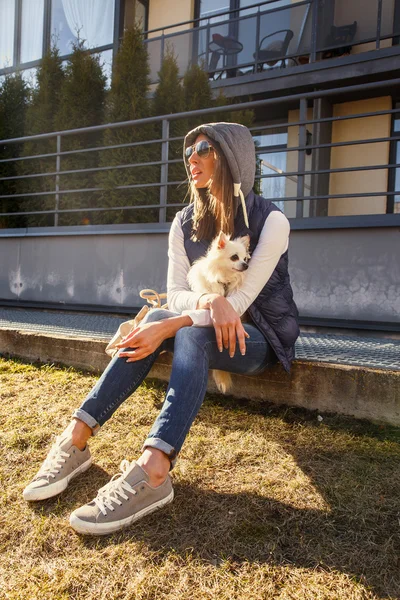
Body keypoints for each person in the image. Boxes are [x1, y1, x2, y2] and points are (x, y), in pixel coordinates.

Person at [23, 122, 300, 536]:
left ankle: (154, 472)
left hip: (259, 336)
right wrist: (201, 301)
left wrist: (181, 317)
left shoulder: (272, 222)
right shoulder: (184, 222)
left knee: (185, 330)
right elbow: (175, 294)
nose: (192, 157)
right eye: (189, 150)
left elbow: (237, 306)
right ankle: (75, 440)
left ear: (233, 158)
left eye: (204, 148)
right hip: (207, 324)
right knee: (162, 319)